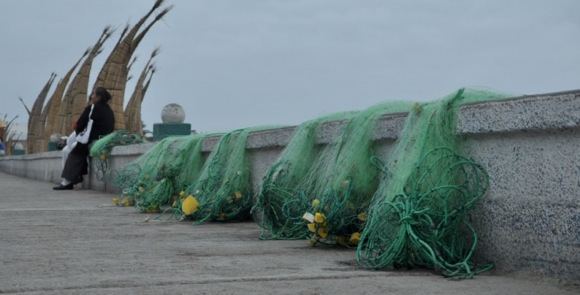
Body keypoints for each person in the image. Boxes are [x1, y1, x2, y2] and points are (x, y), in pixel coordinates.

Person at [53, 87, 115, 190]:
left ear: (98, 97)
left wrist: (75, 137)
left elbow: (80, 125)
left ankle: (68, 181)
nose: (91, 96)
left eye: (93, 94)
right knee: (69, 149)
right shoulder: (109, 110)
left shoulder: (92, 108)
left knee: (71, 150)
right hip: (102, 140)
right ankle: (72, 178)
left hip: (92, 140)